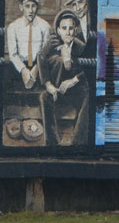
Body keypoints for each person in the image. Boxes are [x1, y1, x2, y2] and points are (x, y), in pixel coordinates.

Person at [38, 10, 89, 146]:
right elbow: (41, 57)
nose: (68, 32)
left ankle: (77, 142)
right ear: (58, 30)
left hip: (76, 90)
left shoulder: (81, 47)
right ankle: (52, 143)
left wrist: (74, 80)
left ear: (75, 29)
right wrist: (48, 84)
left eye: (71, 28)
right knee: (44, 97)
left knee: (89, 97)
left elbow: (90, 68)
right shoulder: (53, 44)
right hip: (57, 89)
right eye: (64, 28)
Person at [5, 0, 50, 90]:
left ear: (37, 7)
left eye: (33, 6)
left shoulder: (45, 26)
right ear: (21, 7)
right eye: (27, 6)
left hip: (38, 66)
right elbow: (13, 54)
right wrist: (23, 70)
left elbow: (45, 52)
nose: (30, 10)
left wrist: (36, 69)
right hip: (19, 66)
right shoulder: (13, 27)